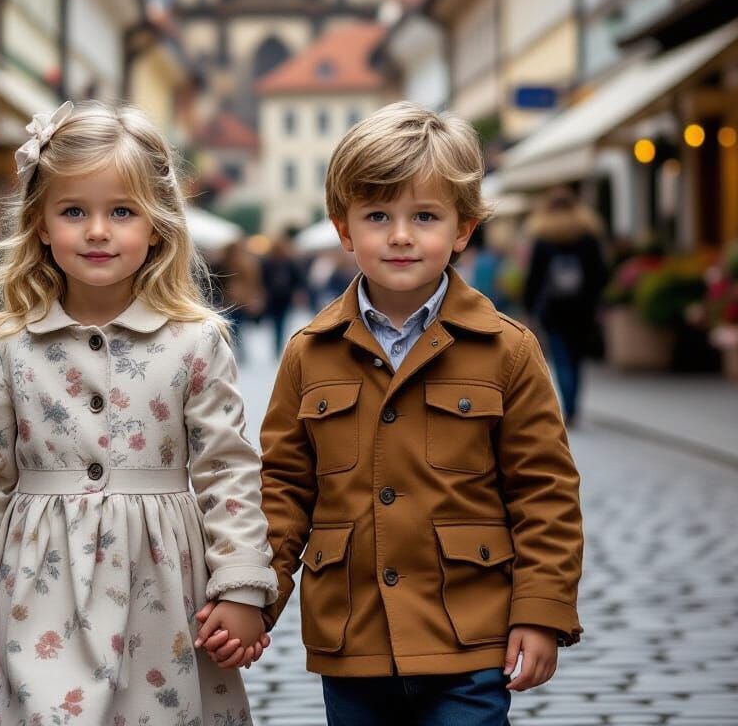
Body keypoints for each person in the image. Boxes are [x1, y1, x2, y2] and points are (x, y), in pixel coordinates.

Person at [198, 102, 584, 725]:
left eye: (425, 216)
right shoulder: (310, 353)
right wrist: (251, 598)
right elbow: (281, 492)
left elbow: (545, 492)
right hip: (353, 641)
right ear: (345, 230)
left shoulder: (507, 349)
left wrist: (541, 612)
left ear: (463, 229)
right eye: (378, 215)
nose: (400, 235)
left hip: (470, 637)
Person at [0, 100, 276, 726]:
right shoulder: (11, 345)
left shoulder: (194, 341)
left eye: (122, 211)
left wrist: (242, 586)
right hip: (37, 584)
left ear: (158, 225)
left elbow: (230, 472)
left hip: (163, 588)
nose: (97, 230)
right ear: (40, 223)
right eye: (73, 211)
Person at [522, 187, 607, 427]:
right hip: (582, 309)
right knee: (577, 358)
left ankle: (568, 407)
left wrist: (529, 307)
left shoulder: (543, 236)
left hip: (553, 309)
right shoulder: (587, 235)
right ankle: (573, 406)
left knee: (561, 359)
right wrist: (596, 301)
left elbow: (534, 278)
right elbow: (600, 273)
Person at [210, 239, 265, 361]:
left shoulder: (234, 262)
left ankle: (238, 350)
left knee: (234, 326)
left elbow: (251, 282)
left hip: (234, 298)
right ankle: (240, 351)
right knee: (236, 326)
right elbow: (254, 283)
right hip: (238, 299)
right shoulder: (247, 262)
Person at [261, 233, 305, 356]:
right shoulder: (268, 263)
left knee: (281, 322)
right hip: (273, 297)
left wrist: (298, 292)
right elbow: (263, 279)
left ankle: (278, 345)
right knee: (276, 322)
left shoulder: (289, 262)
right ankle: (277, 345)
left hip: (285, 297)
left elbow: (298, 279)